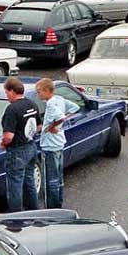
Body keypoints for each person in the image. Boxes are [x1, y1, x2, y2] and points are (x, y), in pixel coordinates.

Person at [35, 78, 80, 208]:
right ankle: (59, 203)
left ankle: (52, 207)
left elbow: (60, 117)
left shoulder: (51, 104)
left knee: (50, 179)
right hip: (59, 142)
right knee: (59, 177)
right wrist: (61, 123)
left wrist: (52, 126)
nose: (38, 95)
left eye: (39, 92)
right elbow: (75, 107)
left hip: (50, 145)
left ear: (47, 91)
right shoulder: (59, 99)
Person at [1, 77, 40, 212]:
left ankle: (16, 215)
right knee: (30, 182)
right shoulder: (32, 104)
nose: (6, 95)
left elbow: (8, 136)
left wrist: (3, 143)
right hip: (31, 146)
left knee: (15, 185)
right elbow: (38, 126)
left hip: (17, 151)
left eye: (6, 92)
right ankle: (33, 211)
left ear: (12, 91)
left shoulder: (12, 109)